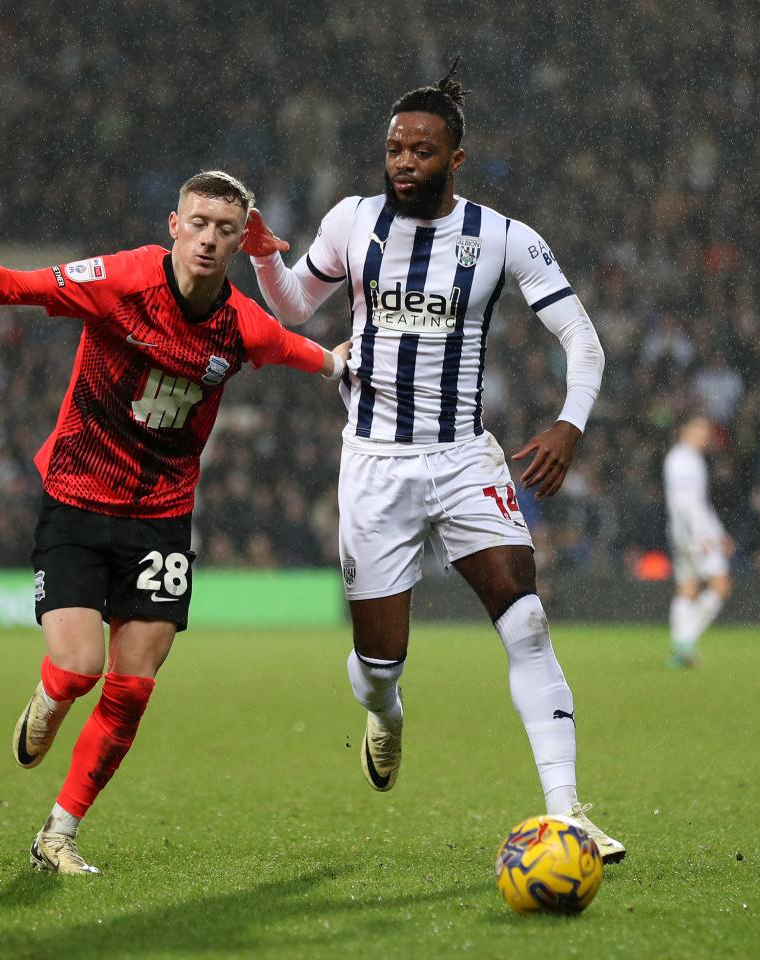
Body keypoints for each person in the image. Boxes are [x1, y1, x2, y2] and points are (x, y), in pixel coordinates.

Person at [242, 62, 624, 863]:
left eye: (422, 150)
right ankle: (385, 712)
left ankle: (568, 811)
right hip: (374, 465)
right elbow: (293, 308)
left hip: (462, 459)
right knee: (381, 665)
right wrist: (262, 258)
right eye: (394, 148)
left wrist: (568, 424)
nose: (404, 162)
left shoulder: (504, 238)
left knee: (525, 617)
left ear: (456, 159)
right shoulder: (352, 222)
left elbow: (581, 339)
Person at [0, 171, 349, 875]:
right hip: (77, 495)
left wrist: (336, 363)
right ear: (174, 224)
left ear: (236, 237)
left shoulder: (241, 324)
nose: (210, 239)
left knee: (131, 690)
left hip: (161, 520)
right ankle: (49, 696)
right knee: (78, 669)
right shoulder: (121, 279)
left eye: (225, 229)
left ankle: (59, 834)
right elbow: (16, 289)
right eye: (199, 223)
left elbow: (296, 349)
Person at [663, 415, 733, 667]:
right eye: (699, 433)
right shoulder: (683, 460)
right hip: (693, 535)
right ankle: (685, 640)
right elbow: (685, 504)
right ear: (685, 432)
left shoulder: (688, 459)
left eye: (706, 435)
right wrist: (700, 536)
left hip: (687, 533)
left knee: (688, 588)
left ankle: (681, 644)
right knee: (721, 585)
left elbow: (699, 503)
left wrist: (720, 533)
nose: (704, 439)